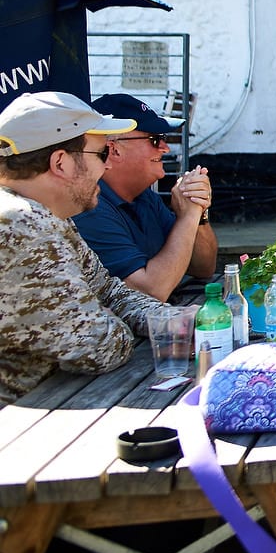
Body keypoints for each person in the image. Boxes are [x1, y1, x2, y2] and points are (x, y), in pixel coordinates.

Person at [0, 91, 160, 404]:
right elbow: (98, 346)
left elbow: (109, 292)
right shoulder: (22, 224)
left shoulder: (47, 213)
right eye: (101, 154)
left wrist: (173, 320)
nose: (107, 168)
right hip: (19, 431)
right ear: (60, 162)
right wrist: (111, 319)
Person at [72, 93, 216, 301]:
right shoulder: (89, 207)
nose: (165, 148)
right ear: (113, 150)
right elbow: (152, 292)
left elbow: (203, 267)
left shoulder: (144, 196)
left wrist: (197, 212)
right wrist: (187, 218)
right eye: (155, 139)